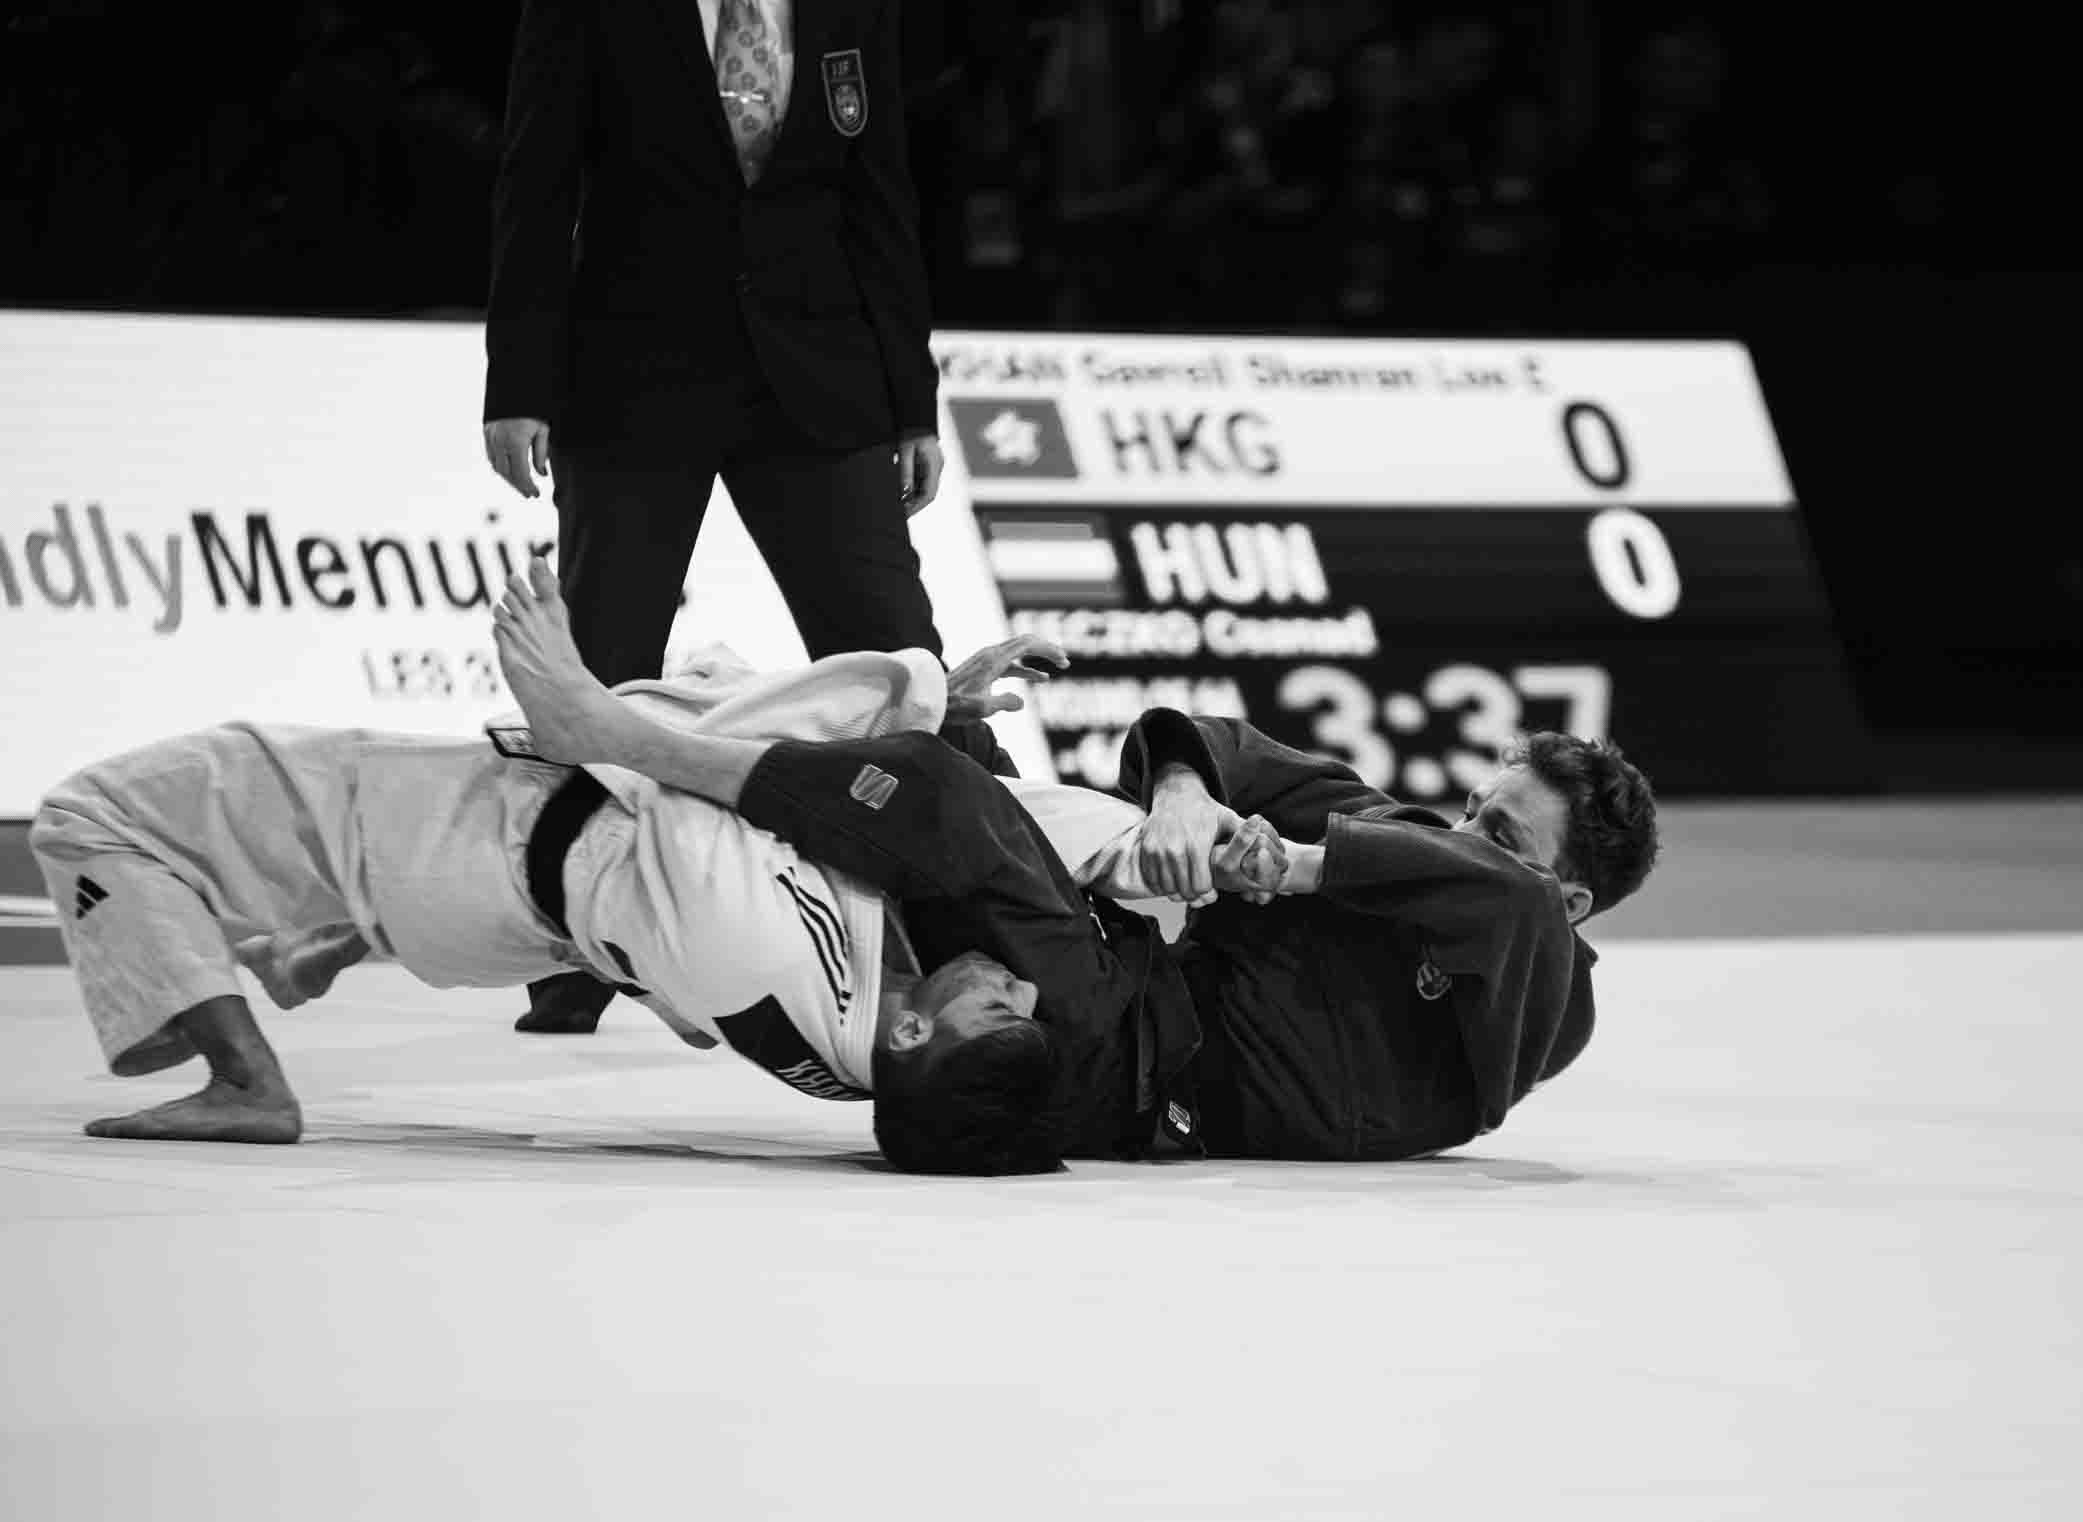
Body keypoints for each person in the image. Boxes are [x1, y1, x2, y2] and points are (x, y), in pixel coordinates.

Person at [495, 558, 1662, 1165]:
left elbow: (1507, 911)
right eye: (1474, 809)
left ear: (1572, 897)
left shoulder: (1547, 1003)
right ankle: (629, 863)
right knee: (950, 742)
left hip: (1126, 1082)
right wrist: (1187, 796)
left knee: (942, 795)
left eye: (1502, 834)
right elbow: (1221, 742)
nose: (1464, 835)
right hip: (1121, 978)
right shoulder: (1405, 833)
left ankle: (621, 738)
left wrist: (1305, 869)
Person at [28, 640, 1072, 1175]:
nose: (1014, 985)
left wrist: (910, 692)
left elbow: (705, 767)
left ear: (911, 1032)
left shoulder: (763, 957)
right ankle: (332, 937)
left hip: (475, 844)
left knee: (99, 812)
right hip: (512, 896)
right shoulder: (853, 1037)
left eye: (994, 1007)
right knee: (342, 856)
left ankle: (245, 1080)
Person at [482, 0, 947, 1035]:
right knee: (602, 666)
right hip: (634, 374)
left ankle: (969, 919)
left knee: (900, 658)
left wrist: (911, 403)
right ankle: (570, 951)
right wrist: (518, 382)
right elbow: (535, 184)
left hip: (818, 381)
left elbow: (881, 200)